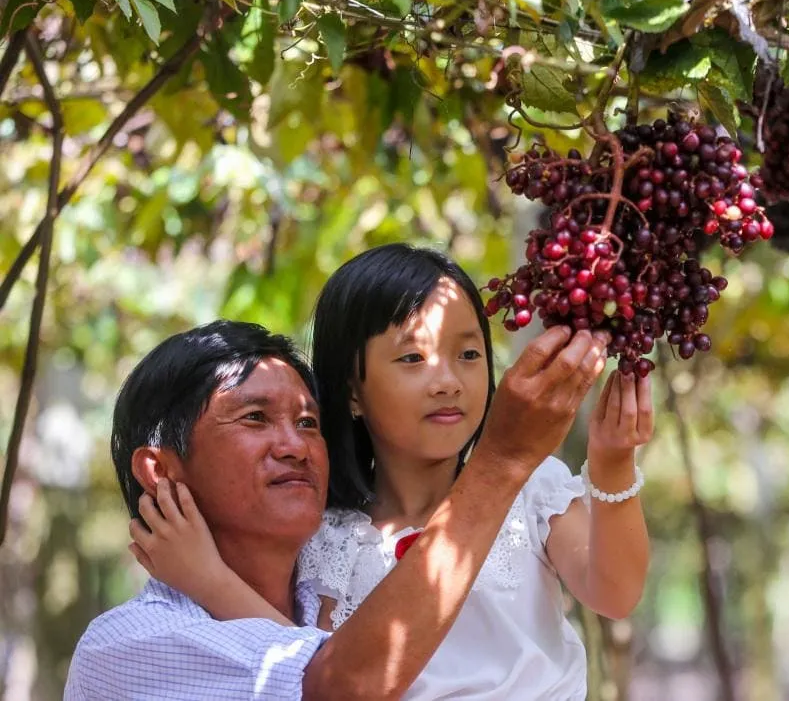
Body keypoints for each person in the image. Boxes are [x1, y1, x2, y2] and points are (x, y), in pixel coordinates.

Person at [128, 244, 654, 700]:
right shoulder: (328, 535)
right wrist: (208, 581)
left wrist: (611, 466)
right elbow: (309, 675)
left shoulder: (529, 489)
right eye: (411, 359)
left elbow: (616, 593)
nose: (448, 380)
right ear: (351, 391)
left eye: (469, 353)